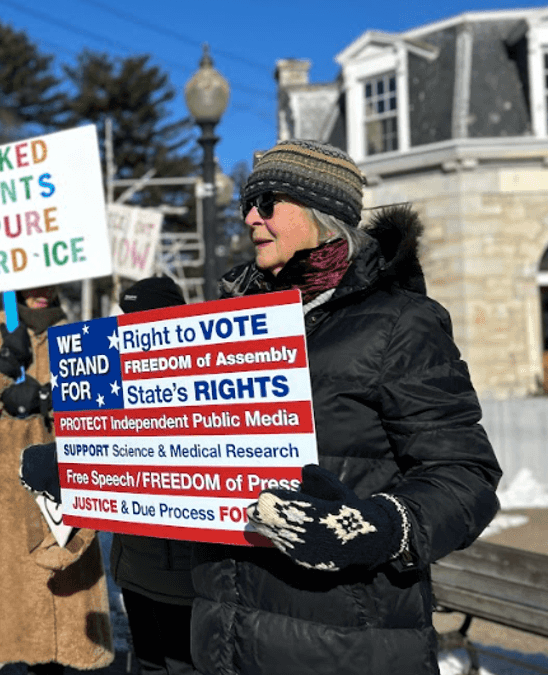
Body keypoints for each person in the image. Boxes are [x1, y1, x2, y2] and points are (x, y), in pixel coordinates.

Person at [189, 139, 502, 674]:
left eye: (267, 202)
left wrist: (380, 526)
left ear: (324, 213)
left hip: (347, 643)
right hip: (229, 640)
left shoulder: (399, 323)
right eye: (246, 204)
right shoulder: (232, 328)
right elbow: (184, 453)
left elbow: (464, 475)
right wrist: (89, 469)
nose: (249, 218)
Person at [0, 285, 113, 675]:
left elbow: (99, 418)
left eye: (49, 285)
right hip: (1, 493)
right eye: (33, 286)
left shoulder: (76, 337)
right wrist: (1, 366)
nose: (41, 293)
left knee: (54, 610)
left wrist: (61, 406)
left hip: (57, 485)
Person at [110, 276, 197, 675]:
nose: (132, 330)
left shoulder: (201, 382)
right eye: (126, 319)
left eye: (141, 319)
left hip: (185, 573)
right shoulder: (112, 382)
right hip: (133, 566)